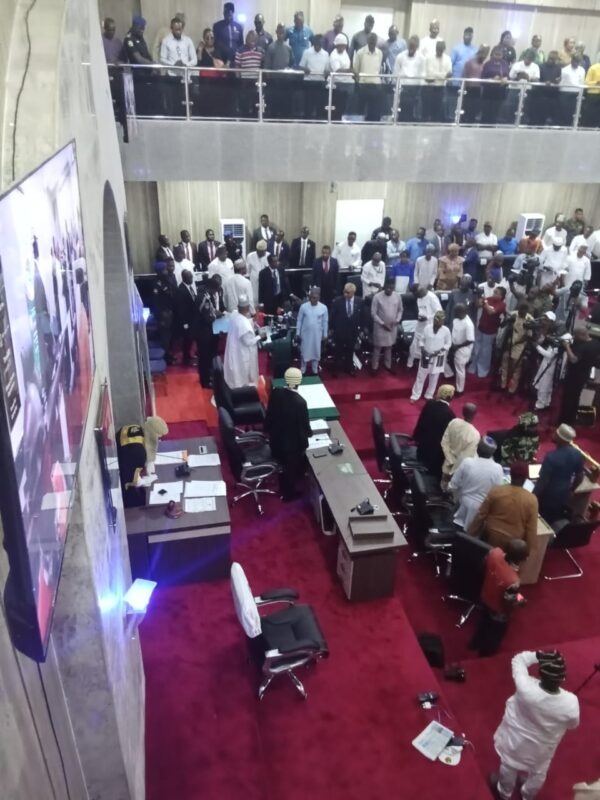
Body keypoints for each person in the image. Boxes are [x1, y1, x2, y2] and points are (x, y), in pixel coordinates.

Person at [491, 650, 579, 800]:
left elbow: (518, 660)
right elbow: (572, 725)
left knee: (508, 766)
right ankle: (527, 796)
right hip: (542, 750)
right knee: (538, 773)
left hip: (514, 742)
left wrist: (537, 656)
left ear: (540, 674)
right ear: (562, 678)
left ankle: (504, 794)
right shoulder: (571, 702)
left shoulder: (526, 686)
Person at [470, 539, 529, 657]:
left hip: (485, 596)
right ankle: (485, 654)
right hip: (498, 610)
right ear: (522, 559)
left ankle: (475, 643)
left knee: (483, 623)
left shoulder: (494, 552)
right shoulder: (512, 580)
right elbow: (508, 601)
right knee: (495, 634)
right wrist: (521, 600)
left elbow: (482, 567)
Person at [468, 460, 539, 554]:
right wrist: (528, 551)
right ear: (526, 478)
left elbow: (481, 515)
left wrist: (470, 535)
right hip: (513, 545)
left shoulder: (496, 491)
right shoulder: (531, 500)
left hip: (490, 537)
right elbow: (531, 529)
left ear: (511, 474)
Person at [265, 367, 312, 501]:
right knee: (292, 465)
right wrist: (309, 433)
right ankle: (289, 494)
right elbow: (304, 428)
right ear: (299, 381)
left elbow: (269, 416)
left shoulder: (276, 392)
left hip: (275, 440)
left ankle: (282, 480)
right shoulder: (300, 402)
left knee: (283, 463)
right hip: (291, 448)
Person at [449, 437, 504, 529]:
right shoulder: (498, 468)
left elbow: (453, 485)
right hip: (482, 511)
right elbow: (497, 493)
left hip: (462, 506)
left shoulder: (467, 462)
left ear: (477, 449)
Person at [534, 424, 585, 523]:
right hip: (564, 494)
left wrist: (532, 496)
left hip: (547, 496)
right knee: (554, 518)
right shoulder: (577, 454)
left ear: (560, 438)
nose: (554, 434)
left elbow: (542, 482)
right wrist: (571, 490)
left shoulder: (551, 457)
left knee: (541, 520)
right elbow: (580, 476)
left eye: (556, 434)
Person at [413, 384, 455, 479]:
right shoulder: (450, 415)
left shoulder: (430, 404)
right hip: (434, 458)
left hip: (421, 448)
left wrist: (416, 439)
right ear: (451, 397)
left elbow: (420, 423)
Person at [560, 326, 600, 425]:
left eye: (576, 336)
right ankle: (572, 419)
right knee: (576, 397)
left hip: (574, 376)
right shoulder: (596, 343)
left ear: (581, 335)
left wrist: (567, 346)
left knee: (569, 399)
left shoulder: (583, 347)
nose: (575, 338)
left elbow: (573, 360)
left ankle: (565, 421)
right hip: (584, 375)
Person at [410, 311, 452, 401]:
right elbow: (422, 340)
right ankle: (415, 395)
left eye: (441, 320)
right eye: (437, 320)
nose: (438, 322)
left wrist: (439, 351)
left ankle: (429, 395)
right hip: (426, 355)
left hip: (438, 357)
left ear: (443, 321)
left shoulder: (446, 330)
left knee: (434, 377)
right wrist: (422, 349)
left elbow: (448, 343)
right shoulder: (427, 328)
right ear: (434, 319)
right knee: (421, 376)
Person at [223, 296, 262, 389]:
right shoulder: (244, 325)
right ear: (247, 307)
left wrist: (252, 320)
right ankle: (241, 391)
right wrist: (260, 337)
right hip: (240, 353)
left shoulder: (234, 314)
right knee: (240, 375)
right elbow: (248, 342)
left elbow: (242, 319)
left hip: (234, 349)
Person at [470, 286, 506, 378]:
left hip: (490, 332)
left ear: (501, 296)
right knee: (476, 349)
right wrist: (479, 297)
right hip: (480, 328)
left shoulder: (502, 304)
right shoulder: (489, 299)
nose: (494, 294)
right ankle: (473, 367)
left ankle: (482, 371)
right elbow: (478, 305)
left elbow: (491, 311)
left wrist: (485, 302)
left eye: (496, 293)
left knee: (485, 352)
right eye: (494, 292)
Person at [441, 403, 480, 486]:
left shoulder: (454, 422)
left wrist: (449, 460)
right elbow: (465, 457)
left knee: (443, 484)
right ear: (475, 415)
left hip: (446, 463)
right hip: (457, 470)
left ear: (463, 412)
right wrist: (452, 472)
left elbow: (444, 442)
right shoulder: (475, 434)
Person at [329, 283, 364, 376]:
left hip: (352, 331)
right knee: (338, 351)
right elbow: (332, 316)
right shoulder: (337, 301)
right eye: (344, 292)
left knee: (350, 350)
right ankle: (335, 369)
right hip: (340, 330)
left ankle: (349, 368)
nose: (345, 294)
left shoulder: (359, 301)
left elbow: (362, 316)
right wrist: (331, 328)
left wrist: (361, 329)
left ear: (353, 292)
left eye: (348, 293)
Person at [196, 275, 224, 388]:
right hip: (203, 332)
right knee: (204, 356)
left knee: (209, 355)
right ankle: (205, 381)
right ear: (212, 288)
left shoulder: (206, 294)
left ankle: (208, 376)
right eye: (215, 290)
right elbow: (207, 317)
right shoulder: (203, 297)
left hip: (208, 331)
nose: (215, 293)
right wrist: (216, 315)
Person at [499, 302, 533, 393]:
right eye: (520, 311)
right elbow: (502, 325)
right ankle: (502, 385)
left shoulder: (530, 320)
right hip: (508, 345)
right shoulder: (513, 314)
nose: (521, 313)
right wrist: (509, 319)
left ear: (527, 311)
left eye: (523, 312)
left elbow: (528, 336)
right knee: (504, 365)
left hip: (519, 347)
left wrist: (514, 342)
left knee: (516, 368)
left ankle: (511, 390)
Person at [371, 279, 403, 375]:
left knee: (389, 347)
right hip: (380, 326)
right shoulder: (377, 297)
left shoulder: (397, 296)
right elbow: (373, 313)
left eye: (391, 288)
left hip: (392, 326)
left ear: (394, 287)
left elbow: (400, 310)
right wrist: (382, 324)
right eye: (388, 287)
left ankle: (387, 365)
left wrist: (397, 320)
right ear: (384, 286)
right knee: (378, 348)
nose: (389, 289)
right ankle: (374, 367)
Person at [407, 285, 442, 367]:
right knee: (413, 346)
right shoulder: (419, 298)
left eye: (417, 295)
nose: (417, 297)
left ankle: (426, 366)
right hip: (420, 325)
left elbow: (439, 313)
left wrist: (427, 317)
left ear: (421, 291)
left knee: (427, 348)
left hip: (430, 326)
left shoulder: (432, 297)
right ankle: (409, 364)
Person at [296, 287, 328, 374]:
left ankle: (315, 369)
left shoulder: (323, 308)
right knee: (304, 351)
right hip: (305, 334)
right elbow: (299, 320)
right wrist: (298, 332)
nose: (313, 299)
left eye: (315, 298)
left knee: (316, 351)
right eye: (311, 297)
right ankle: (303, 368)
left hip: (317, 334)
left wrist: (325, 334)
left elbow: (325, 322)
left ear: (319, 297)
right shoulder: (303, 307)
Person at [443, 303, 474, 393]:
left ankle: (460, 390)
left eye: (456, 312)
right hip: (454, 345)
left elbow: (470, 340)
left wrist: (457, 347)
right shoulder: (456, 320)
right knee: (444, 358)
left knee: (460, 369)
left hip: (463, 349)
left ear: (463, 312)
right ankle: (450, 374)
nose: (454, 313)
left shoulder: (468, 324)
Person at [394, 35, 425, 122]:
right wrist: (398, 87)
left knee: (411, 113)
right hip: (402, 88)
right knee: (401, 112)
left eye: (413, 47)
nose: (411, 49)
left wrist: (419, 89)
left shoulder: (422, 58)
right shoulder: (400, 57)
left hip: (414, 88)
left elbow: (422, 74)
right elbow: (396, 73)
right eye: (410, 47)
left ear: (416, 47)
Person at [353, 32, 383, 122]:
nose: (372, 43)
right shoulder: (360, 53)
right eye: (371, 41)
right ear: (367, 41)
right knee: (361, 111)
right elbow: (356, 69)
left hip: (376, 86)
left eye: (374, 42)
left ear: (376, 42)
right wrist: (358, 83)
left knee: (374, 112)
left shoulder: (380, 53)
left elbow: (378, 69)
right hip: (363, 85)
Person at [299, 34, 330, 120]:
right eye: (317, 43)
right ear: (314, 43)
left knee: (320, 106)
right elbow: (301, 66)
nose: (319, 45)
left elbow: (327, 69)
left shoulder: (326, 54)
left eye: (321, 44)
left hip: (320, 82)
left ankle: (319, 123)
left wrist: (327, 72)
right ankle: (306, 123)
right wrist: (305, 69)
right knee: (308, 106)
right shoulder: (307, 52)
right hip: (309, 82)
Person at [152, 261, 177, 364]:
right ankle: (165, 357)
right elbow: (157, 301)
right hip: (163, 315)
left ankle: (169, 354)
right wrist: (160, 315)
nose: (167, 271)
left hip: (170, 312)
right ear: (160, 271)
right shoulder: (157, 284)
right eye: (165, 269)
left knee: (170, 336)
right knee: (165, 338)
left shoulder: (167, 280)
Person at [423, 40, 452, 123]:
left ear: (444, 49)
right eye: (438, 49)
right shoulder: (429, 58)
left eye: (441, 49)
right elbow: (430, 73)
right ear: (436, 48)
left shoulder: (448, 59)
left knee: (439, 110)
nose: (439, 51)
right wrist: (443, 75)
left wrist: (438, 75)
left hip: (442, 87)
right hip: (431, 87)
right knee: (429, 110)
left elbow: (449, 74)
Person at [175, 269, 199, 366]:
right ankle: (186, 360)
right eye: (190, 277)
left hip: (191, 319)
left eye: (192, 277)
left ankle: (189, 356)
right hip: (186, 321)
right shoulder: (181, 290)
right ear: (184, 278)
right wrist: (185, 323)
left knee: (190, 339)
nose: (192, 279)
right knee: (187, 340)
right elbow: (181, 308)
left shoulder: (189, 288)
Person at [480, 46, 509, 124]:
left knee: (495, 114)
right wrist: (492, 79)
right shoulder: (487, 64)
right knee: (486, 113)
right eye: (496, 54)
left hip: (499, 93)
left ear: (502, 55)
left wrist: (506, 78)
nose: (497, 56)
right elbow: (482, 78)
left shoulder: (505, 64)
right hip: (488, 92)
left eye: (500, 55)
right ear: (492, 54)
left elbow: (508, 76)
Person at [461, 45, 490, 123]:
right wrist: (463, 90)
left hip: (478, 90)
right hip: (468, 89)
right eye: (482, 53)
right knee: (466, 110)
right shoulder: (470, 62)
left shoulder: (485, 65)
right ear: (479, 53)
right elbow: (464, 76)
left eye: (485, 54)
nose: (484, 56)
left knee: (474, 111)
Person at [328, 34, 354, 118]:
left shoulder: (345, 53)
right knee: (337, 107)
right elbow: (337, 70)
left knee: (343, 106)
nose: (343, 47)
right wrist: (349, 70)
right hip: (337, 85)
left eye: (344, 46)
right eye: (341, 46)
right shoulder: (334, 55)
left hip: (345, 84)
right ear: (337, 45)